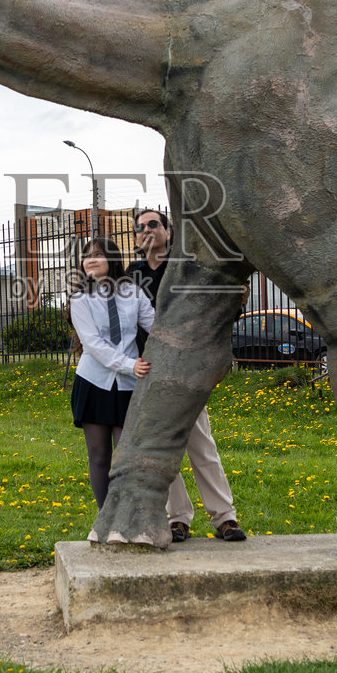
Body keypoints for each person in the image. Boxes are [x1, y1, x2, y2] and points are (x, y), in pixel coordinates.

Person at [127, 207, 247, 542]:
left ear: (168, 232)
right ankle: (177, 518)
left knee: (200, 445)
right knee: (164, 447)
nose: (146, 230)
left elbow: (212, 308)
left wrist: (236, 305)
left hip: (185, 372)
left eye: (154, 224)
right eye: (140, 227)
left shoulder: (185, 269)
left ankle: (225, 517)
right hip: (148, 372)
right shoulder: (131, 274)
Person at [68, 236, 153, 511]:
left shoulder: (134, 293)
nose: (91, 259)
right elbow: (92, 344)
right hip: (94, 383)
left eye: (98, 254)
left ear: (113, 259)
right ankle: (105, 517)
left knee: (127, 456)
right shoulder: (80, 299)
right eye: (87, 255)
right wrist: (130, 365)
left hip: (128, 385)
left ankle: (129, 514)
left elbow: (155, 325)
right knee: (100, 455)